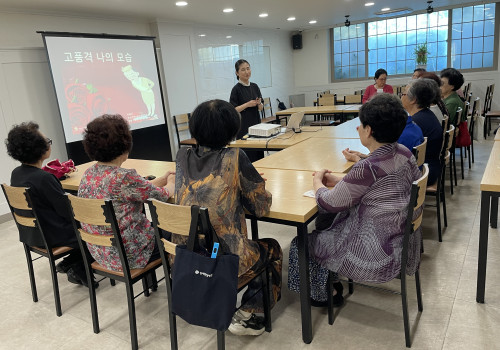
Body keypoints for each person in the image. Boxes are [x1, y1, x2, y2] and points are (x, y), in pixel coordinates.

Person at [287, 94, 422, 307]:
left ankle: (325, 295)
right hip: (400, 241)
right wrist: (340, 179)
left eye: (361, 125)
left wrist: (317, 181)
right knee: (327, 226)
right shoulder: (404, 154)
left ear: (369, 130)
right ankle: (329, 282)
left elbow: (328, 202)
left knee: (302, 243)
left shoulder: (368, 167)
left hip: (375, 252)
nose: (358, 129)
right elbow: (376, 183)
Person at [174, 99, 282, 336]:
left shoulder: (181, 156)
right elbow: (260, 207)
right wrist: (255, 182)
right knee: (273, 248)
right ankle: (252, 314)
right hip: (223, 260)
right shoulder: (235, 157)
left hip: (184, 255)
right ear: (232, 130)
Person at [78, 114, 175, 272]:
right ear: (124, 145)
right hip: (131, 255)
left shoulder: (90, 173)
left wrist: (160, 180)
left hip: (101, 253)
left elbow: (138, 190)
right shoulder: (124, 177)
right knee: (180, 232)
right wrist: (171, 182)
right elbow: (162, 195)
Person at [5, 122, 92, 287]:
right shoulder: (44, 178)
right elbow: (68, 212)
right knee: (97, 227)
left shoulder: (16, 174)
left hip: (33, 234)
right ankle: (77, 264)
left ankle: (71, 262)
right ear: (40, 149)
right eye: (48, 141)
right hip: (54, 235)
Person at [401, 78, 443, 186]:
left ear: (413, 100)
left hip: (424, 172)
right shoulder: (426, 114)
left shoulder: (416, 122)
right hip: (430, 167)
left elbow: (398, 155)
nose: (401, 97)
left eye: (403, 94)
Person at [230, 59, 264, 162]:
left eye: (248, 68)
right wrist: (248, 104)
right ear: (237, 73)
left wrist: (259, 104)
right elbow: (234, 110)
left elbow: (261, 108)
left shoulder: (255, 86)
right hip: (243, 127)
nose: (246, 72)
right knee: (248, 157)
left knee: (259, 156)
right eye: (243, 70)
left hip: (256, 125)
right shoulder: (236, 89)